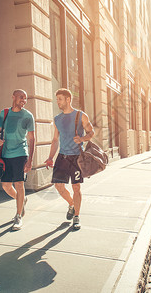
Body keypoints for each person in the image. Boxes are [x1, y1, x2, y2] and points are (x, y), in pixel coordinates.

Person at [44, 88, 94, 230]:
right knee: (58, 186)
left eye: (60, 99)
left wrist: (83, 138)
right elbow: (55, 140)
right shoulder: (57, 119)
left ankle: (76, 216)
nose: (58, 102)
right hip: (62, 156)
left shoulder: (80, 115)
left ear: (68, 99)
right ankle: (72, 204)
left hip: (76, 157)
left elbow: (92, 132)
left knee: (76, 187)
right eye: (57, 99)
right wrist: (50, 157)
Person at [0, 89, 35, 231]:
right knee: (6, 185)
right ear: (13, 97)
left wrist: (30, 160)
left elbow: (32, 138)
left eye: (25, 98)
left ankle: (18, 216)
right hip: (6, 153)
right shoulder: (4, 113)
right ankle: (22, 199)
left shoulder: (28, 116)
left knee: (19, 184)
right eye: (21, 97)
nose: (23, 100)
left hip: (20, 153)